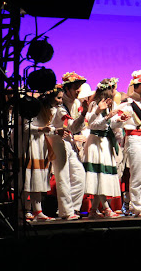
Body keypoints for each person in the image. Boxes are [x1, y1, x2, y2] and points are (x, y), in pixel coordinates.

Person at [110, 68, 141, 217]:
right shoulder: (127, 103)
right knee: (137, 174)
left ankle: (138, 203)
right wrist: (120, 119)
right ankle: (138, 207)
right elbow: (113, 123)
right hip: (134, 139)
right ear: (138, 85)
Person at [50, 72, 89, 220]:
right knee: (63, 177)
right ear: (67, 88)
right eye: (76, 87)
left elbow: (76, 127)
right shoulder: (61, 105)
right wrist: (84, 114)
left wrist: (83, 113)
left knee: (79, 175)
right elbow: (71, 127)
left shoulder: (77, 103)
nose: (79, 90)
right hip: (58, 140)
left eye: (80, 87)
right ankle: (65, 211)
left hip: (69, 141)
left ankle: (73, 208)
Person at [22, 85, 63, 221]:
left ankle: (38, 211)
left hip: (41, 145)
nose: (60, 101)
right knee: (29, 178)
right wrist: (42, 129)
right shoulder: (33, 108)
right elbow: (26, 127)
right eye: (58, 98)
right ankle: (25, 210)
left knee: (38, 178)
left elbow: (47, 128)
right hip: (30, 145)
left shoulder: (50, 110)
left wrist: (56, 131)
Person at [83, 78, 122, 218]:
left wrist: (119, 121)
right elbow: (92, 125)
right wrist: (105, 116)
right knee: (99, 175)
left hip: (105, 142)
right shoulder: (95, 104)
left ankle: (93, 210)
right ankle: (106, 209)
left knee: (103, 175)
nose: (116, 91)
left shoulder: (113, 104)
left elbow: (111, 125)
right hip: (95, 142)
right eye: (114, 88)